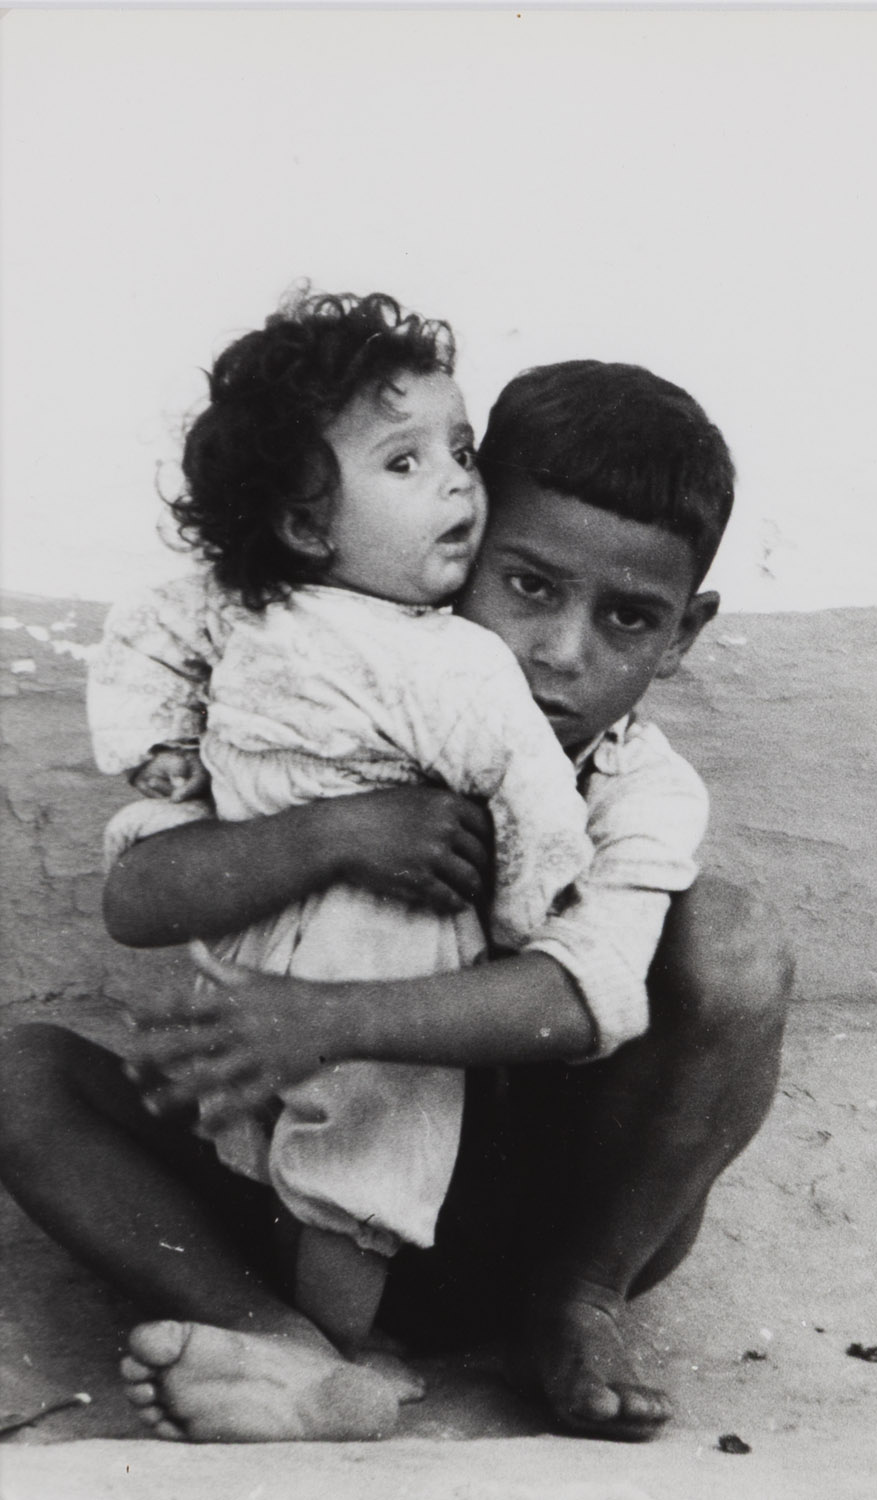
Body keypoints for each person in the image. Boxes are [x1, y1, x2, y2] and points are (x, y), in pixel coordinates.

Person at [0, 352, 794, 1446]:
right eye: (528, 587)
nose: (561, 655)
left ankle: (579, 1306)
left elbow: (590, 994)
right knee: (20, 1073)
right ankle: (288, 1351)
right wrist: (332, 835)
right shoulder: (315, 691)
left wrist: (322, 1020)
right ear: (458, 540)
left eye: (628, 619)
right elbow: (138, 898)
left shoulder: (637, 787)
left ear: (683, 634)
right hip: (284, 1197)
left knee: (736, 941)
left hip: (527, 1227)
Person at [84, 286, 595, 1368]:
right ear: (305, 524)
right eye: (405, 462)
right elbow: (146, 638)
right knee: (233, 1128)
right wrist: (162, 749)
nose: (457, 482)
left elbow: (531, 793)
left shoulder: (457, 658)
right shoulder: (242, 610)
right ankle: (290, 1351)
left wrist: (517, 916)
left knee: (359, 1148)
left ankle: (327, 1352)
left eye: (462, 451)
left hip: (383, 957)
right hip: (250, 962)